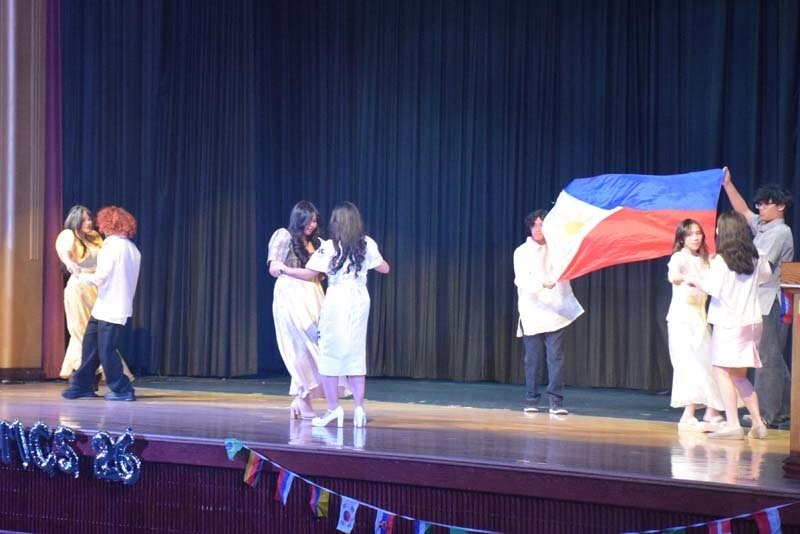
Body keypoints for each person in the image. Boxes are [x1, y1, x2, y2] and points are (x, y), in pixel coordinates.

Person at [273, 201, 390, 427]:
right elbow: (384, 268)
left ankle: (333, 409)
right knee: (355, 353)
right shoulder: (366, 243)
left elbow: (309, 274)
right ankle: (359, 410)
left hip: (337, 299)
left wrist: (284, 269)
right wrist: (370, 262)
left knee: (328, 353)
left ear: (337, 223)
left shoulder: (329, 247)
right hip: (359, 298)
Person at [684, 211, 771, 440]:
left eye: (719, 228)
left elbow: (712, 288)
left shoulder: (721, 261)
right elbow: (765, 277)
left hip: (730, 323)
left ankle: (733, 424)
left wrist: (695, 279)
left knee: (720, 371)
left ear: (726, 232)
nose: (715, 232)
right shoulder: (757, 255)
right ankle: (758, 423)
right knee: (739, 375)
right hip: (752, 322)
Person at [721, 167, 794, 427]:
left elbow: (759, 264)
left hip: (771, 302)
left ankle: (766, 413)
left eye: (766, 204)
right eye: (760, 203)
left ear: (781, 207)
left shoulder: (780, 233)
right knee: (772, 356)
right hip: (760, 300)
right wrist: (728, 185)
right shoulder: (764, 226)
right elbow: (744, 212)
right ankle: (785, 407)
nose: (760, 207)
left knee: (767, 358)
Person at [267, 201, 349, 419]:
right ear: (299, 218)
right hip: (291, 294)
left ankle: (300, 399)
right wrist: (292, 271)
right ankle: (303, 401)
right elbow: (274, 267)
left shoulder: (317, 244)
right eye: (309, 220)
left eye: (315, 220)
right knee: (301, 346)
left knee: (317, 346)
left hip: (314, 294)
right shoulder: (284, 235)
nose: (313, 225)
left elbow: (321, 273)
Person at [62, 206, 141, 402]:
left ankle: (122, 389)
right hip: (107, 306)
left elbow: (102, 277)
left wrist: (80, 276)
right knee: (91, 346)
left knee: (105, 350)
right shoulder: (133, 249)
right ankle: (82, 385)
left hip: (110, 307)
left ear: (108, 224)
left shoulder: (111, 246)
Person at [513, 209, 583, 415]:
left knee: (556, 357)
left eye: (542, 225)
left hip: (556, 310)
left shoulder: (559, 249)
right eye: (534, 225)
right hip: (532, 311)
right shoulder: (521, 252)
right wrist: (542, 283)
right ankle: (531, 399)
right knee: (532, 359)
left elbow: (569, 265)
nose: (538, 229)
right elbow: (521, 280)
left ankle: (556, 402)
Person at [666, 219, 724, 431]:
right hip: (682, 318)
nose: (695, 237)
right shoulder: (679, 257)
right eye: (690, 234)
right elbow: (673, 275)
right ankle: (688, 414)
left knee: (707, 363)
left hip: (700, 317)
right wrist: (684, 278)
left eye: (698, 233)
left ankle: (712, 411)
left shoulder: (707, 259)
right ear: (682, 238)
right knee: (688, 365)